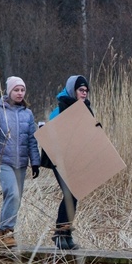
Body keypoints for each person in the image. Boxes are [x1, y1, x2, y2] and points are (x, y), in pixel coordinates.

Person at [0, 76, 40, 247]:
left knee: (15, 197)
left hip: (21, 162)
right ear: (9, 91)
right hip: (3, 161)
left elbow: (32, 139)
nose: (20, 93)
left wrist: (35, 161)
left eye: (22, 90)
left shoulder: (28, 114)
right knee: (13, 193)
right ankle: (8, 230)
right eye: (16, 90)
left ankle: (2, 231)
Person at [40, 75, 94, 250]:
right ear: (73, 90)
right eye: (81, 90)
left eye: (86, 90)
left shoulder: (86, 108)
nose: (84, 93)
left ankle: (66, 234)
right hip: (59, 159)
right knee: (70, 193)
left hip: (75, 158)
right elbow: (53, 138)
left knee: (74, 195)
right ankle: (59, 233)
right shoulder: (60, 109)